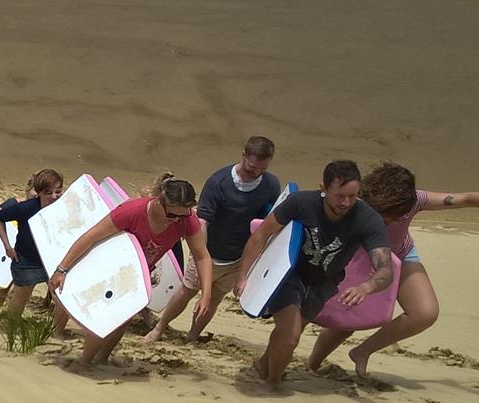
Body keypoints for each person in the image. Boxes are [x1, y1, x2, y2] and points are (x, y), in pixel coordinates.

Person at [305, 163, 479, 377]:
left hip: (401, 255)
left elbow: (463, 198)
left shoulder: (415, 200)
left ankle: (362, 351)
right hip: (359, 258)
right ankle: (312, 364)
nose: (390, 222)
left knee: (425, 313)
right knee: (346, 320)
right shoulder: (354, 200)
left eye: (396, 217)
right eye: (384, 216)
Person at [236, 160, 395, 389]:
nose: (347, 202)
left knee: (291, 330)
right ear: (323, 188)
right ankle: (273, 383)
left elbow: (385, 269)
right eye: (340, 195)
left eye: (353, 195)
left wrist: (365, 287)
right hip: (289, 274)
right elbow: (261, 235)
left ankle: (263, 365)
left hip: (324, 282)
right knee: (291, 334)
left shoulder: (367, 219)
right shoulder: (301, 203)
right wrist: (243, 277)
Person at [52, 175, 217, 367]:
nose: (177, 221)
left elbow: (202, 256)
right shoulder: (132, 211)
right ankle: (84, 363)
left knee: (124, 319)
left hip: (139, 274)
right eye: (172, 215)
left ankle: (102, 360)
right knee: (106, 317)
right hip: (109, 266)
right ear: (159, 202)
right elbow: (91, 236)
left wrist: (206, 294)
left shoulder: (187, 220)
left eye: (184, 215)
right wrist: (61, 270)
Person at [145, 136, 282, 343]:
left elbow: (269, 220)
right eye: (252, 167)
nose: (256, 173)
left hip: (239, 257)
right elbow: (203, 222)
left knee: (214, 300)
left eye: (261, 169)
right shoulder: (219, 182)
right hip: (209, 250)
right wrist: (203, 256)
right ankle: (159, 329)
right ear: (244, 155)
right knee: (187, 291)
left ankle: (192, 337)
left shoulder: (270, 184)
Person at [0, 169, 63, 324]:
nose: (36, 196)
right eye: (38, 192)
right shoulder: (17, 205)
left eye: (57, 191)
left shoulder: (55, 206)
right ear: (31, 190)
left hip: (39, 257)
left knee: (58, 294)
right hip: (13, 254)